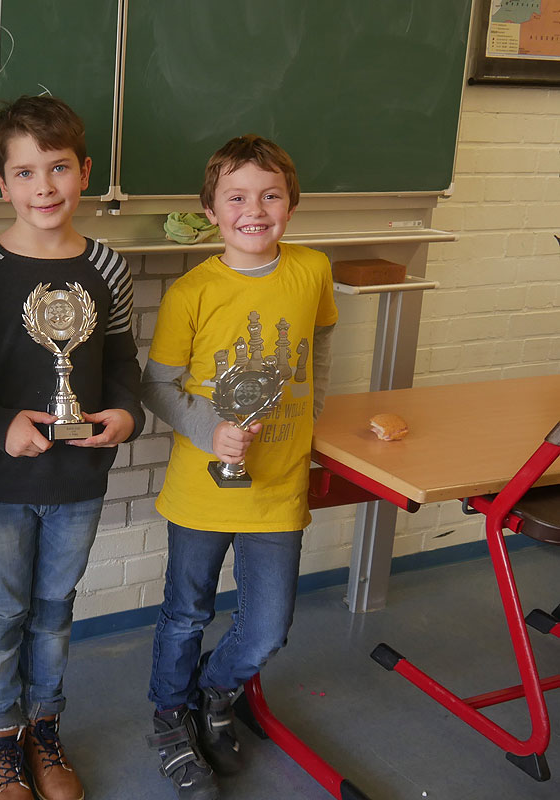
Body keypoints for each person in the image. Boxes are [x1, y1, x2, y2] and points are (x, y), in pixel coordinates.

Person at [0, 95, 145, 800]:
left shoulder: (107, 267)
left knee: (55, 610)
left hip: (78, 480)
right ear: (2, 184)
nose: (44, 187)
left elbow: (122, 361)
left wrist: (127, 413)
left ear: (84, 171)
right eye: (25, 173)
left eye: (58, 168)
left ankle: (44, 727)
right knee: (0, 614)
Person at [142, 135, 338, 800]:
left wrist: (313, 411)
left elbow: (320, 340)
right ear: (210, 209)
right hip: (201, 488)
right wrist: (212, 431)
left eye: (270, 195)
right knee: (186, 613)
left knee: (267, 627)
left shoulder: (312, 270)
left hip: (278, 486)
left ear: (290, 204)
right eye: (236, 197)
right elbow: (156, 386)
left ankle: (214, 692)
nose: (254, 210)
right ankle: (170, 716)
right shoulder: (192, 291)